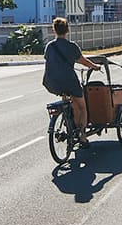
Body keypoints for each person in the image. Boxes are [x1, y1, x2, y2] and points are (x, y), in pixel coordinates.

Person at [42, 17, 103, 147]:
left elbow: (49, 60)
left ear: (54, 30)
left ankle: (68, 122)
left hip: (51, 82)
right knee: (82, 107)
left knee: (66, 98)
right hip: (69, 81)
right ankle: (82, 136)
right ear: (67, 30)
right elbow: (83, 61)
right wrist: (95, 67)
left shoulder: (49, 46)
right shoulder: (72, 46)